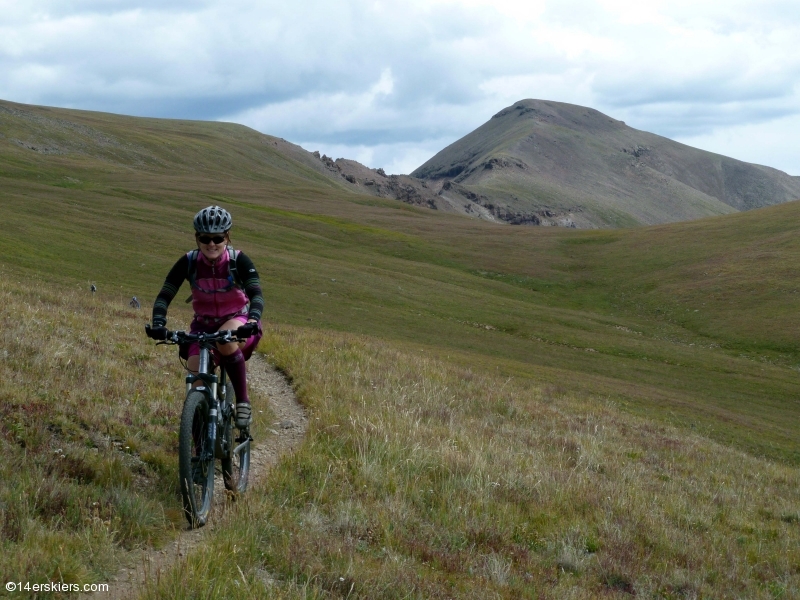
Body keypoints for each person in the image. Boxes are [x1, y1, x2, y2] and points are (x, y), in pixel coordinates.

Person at [146, 206, 264, 428]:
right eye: (205, 238)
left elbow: (256, 295)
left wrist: (252, 320)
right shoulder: (189, 262)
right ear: (197, 238)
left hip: (238, 320)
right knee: (195, 380)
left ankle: (243, 402)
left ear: (227, 237)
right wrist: (159, 323)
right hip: (202, 326)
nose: (212, 244)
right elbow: (165, 294)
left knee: (224, 339)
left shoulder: (238, 261)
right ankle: (198, 452)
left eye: (218, 238)